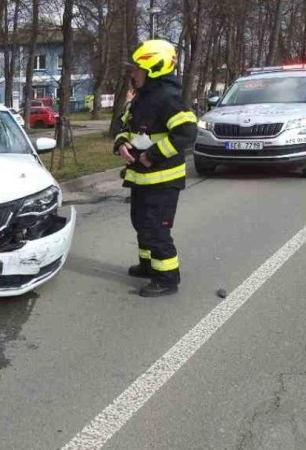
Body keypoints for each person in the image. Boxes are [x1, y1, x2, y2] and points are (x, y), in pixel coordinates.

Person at [113, 39, 197, 297]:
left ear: (154, 69)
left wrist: (154, 155)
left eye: (137, 68)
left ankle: (167, 278)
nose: (133, 73)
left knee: (157, 228)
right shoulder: (141, 98)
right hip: (141, 179)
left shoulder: (168, 99)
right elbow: (123, 126)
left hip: (163, 180)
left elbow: (187, 131)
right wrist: (121, 143)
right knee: (141, 222)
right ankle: (148, 265)